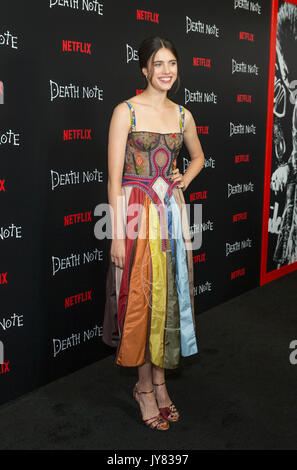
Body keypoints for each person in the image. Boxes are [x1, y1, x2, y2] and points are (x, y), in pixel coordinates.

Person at [102, 36, 205, 431]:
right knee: (140, 301)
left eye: (172, 64)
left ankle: (161, 384)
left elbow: (198, 157)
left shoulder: (183, 116)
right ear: (144, 68)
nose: (166, 71)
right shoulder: (124, 112)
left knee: (171, 298)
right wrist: (115, 234)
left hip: (172, 215)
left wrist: (185, 177)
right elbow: (113, 180)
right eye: (158, 63)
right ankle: (143, 387)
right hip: (133, 215)